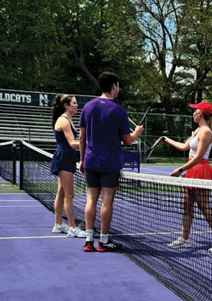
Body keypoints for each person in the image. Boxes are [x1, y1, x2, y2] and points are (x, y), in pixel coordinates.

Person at [79, 72, 143, 252]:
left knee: (91, 199)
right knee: (107, 201)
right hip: (110, 163)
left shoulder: (87, 107)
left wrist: (82, 160)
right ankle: (104, 241)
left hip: (90, 161)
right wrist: (137, 132)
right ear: (114, 86)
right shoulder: (119, 111)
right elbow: (128, 141)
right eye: (118, 85)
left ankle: (89, 240)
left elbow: (82, 137)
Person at [162, 101, 212, 254]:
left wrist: (180, 170)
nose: (193, 113)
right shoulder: (197, 131)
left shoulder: (206, 132)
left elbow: (199, 157)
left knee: (204, 207)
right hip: (191, 170)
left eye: (195, 110)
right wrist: (166, 139)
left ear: (200, 114)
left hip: (200, 170)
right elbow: (185, 147)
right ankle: (184, 239)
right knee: (186, 205)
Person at [50, 94, 86, 238]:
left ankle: (58, 225)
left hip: (67, 158)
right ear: (66, 106)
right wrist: (89, 145)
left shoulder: (68, 120)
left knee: (61, 193)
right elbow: (72, 144)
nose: (77, 105)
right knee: (69, 194)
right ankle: (72, 227)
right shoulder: (64, 121)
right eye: (74, 103)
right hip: (64, 158)